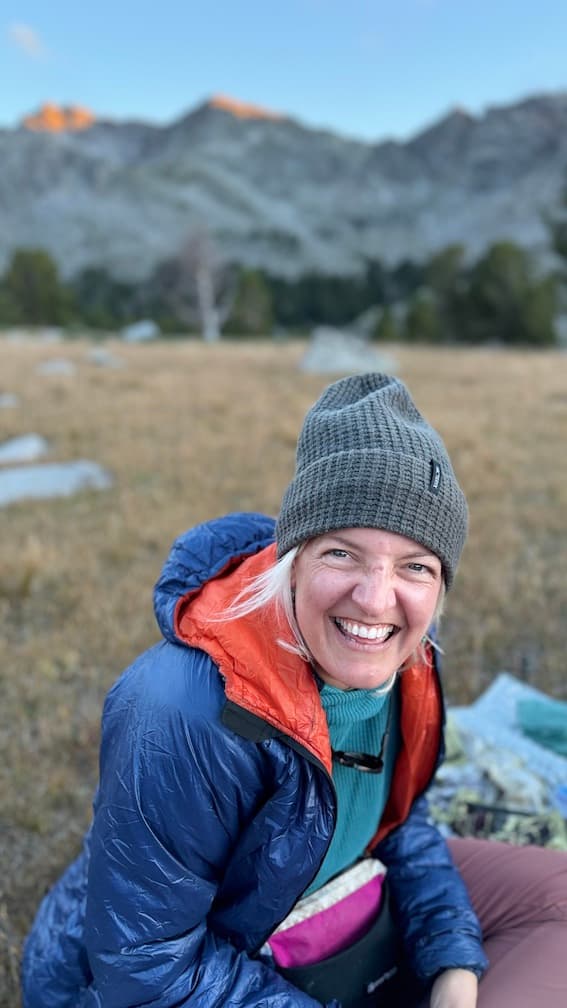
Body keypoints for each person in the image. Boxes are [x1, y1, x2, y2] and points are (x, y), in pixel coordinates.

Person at [22, 373, 567, 1008]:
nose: (375, 598)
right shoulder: (181, 711)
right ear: (294, 559)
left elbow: (396, 824)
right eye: (343, 554)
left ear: (440, 585)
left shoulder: (408, 656)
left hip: (328, 916)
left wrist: (452, 963)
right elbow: (147, 970)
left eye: (414, 566)